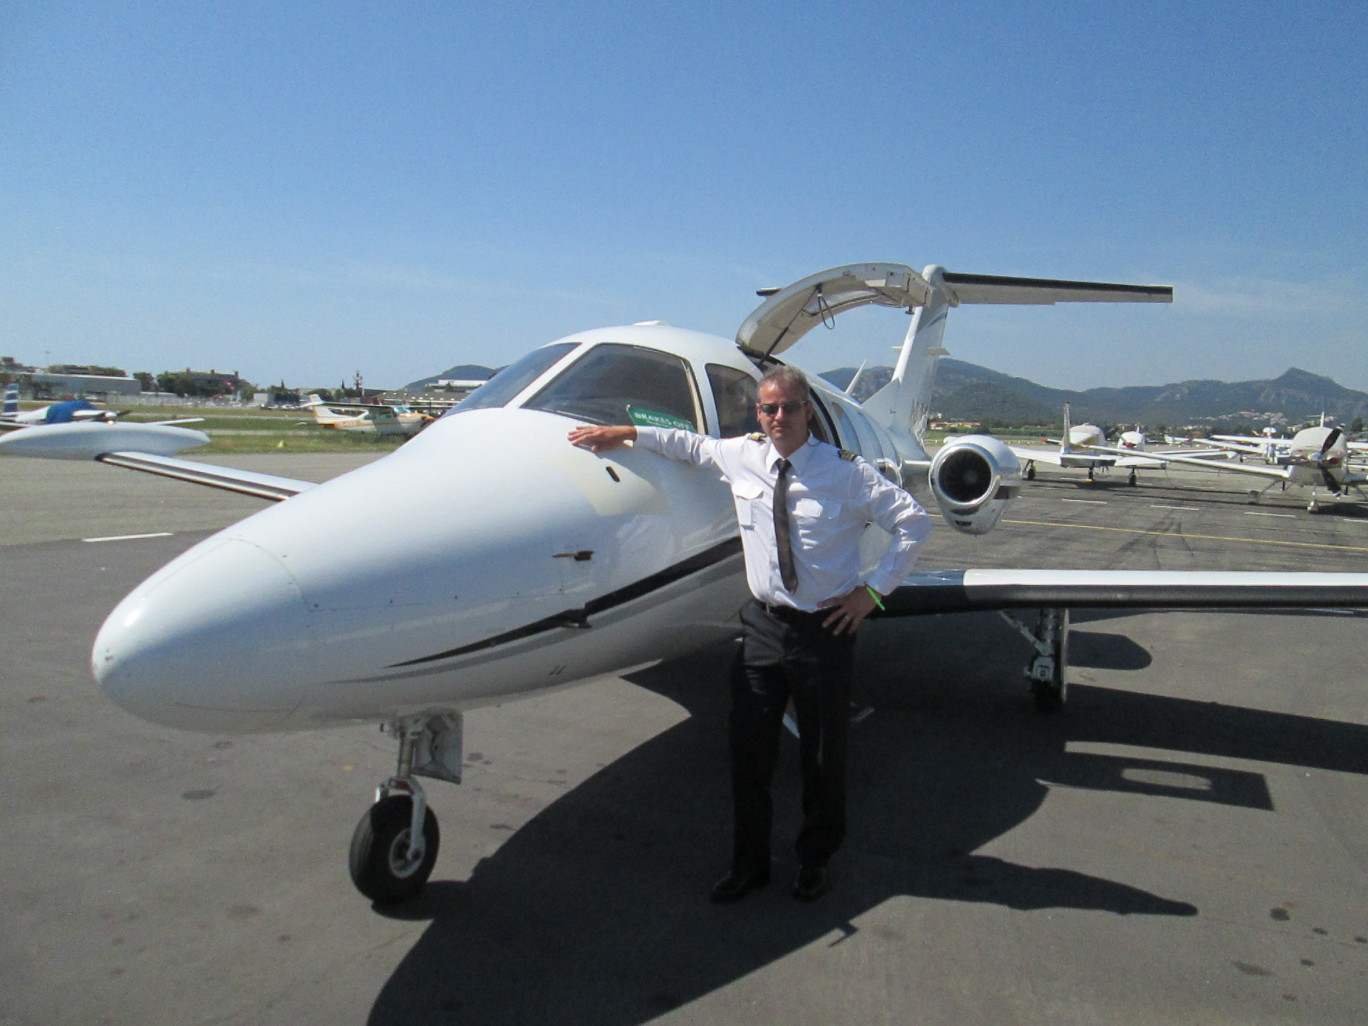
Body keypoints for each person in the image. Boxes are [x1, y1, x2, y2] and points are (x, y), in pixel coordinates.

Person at [569, 365, 931, 902]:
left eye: (788, 407)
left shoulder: (846, 474)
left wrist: (871, 593)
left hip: (823, 631)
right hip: (762, 626)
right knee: (748, 756)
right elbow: (689, 444)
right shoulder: (744, 455)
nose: (778, 417)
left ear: (807, 411)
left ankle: (813, 859)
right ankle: (749, 863)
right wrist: (625, 433)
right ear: (758, 413)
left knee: (823, 758)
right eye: (768, 408)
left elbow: (913, 522)